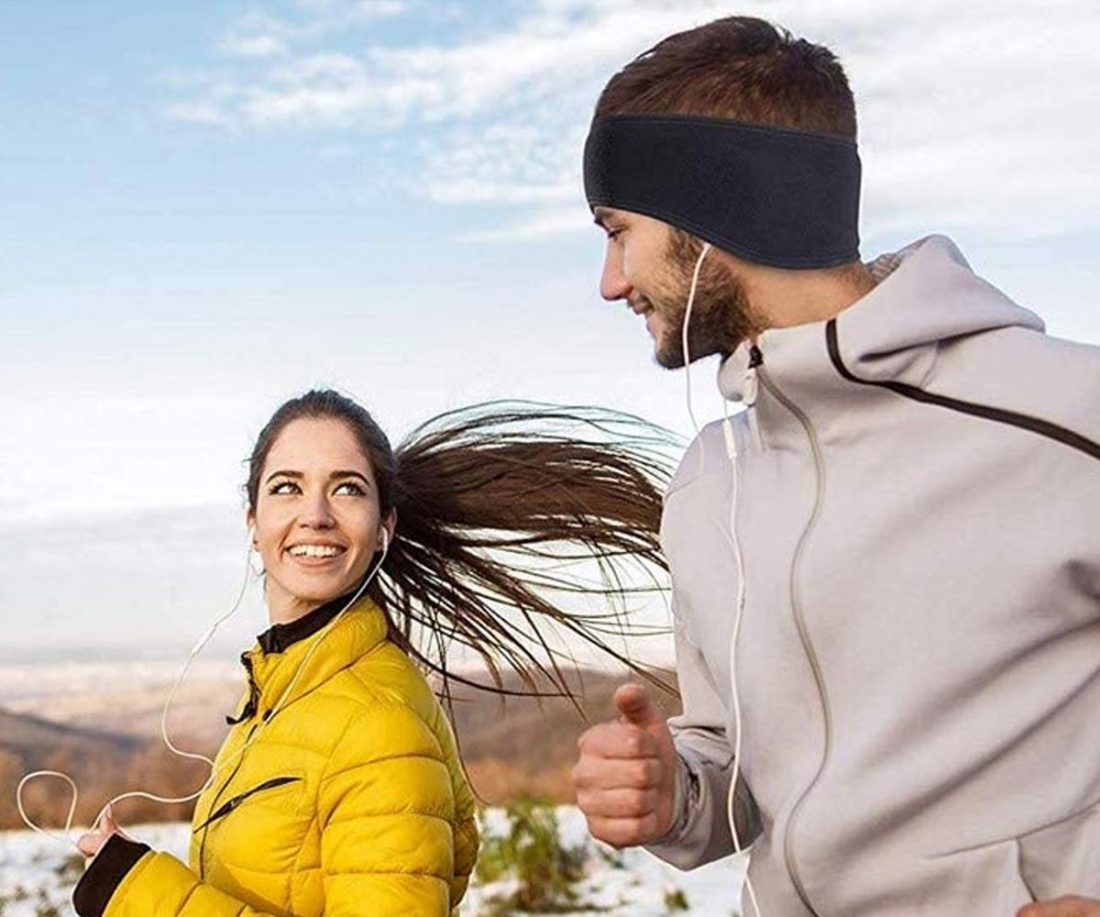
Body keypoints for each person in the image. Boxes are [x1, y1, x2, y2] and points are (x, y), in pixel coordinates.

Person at [570, 16, 1100, 917]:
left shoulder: (1063, 417)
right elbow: (739, 765)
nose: (610, 281)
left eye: (619, 231)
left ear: (712, 205)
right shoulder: (709, 479)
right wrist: (675, 791)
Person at [71, 390, 673, 916]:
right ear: (253, 521)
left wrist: (136, 892)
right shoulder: (282, 694)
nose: (315, 515)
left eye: (347, 489)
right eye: (287, 488)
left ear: (382, 526)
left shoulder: (378, 727)